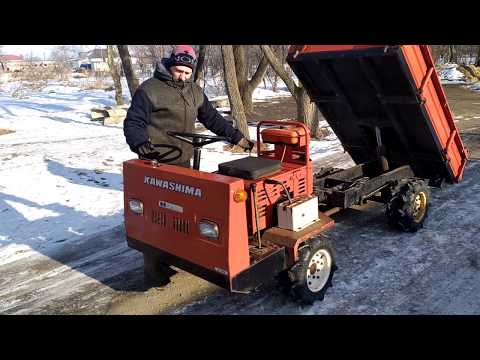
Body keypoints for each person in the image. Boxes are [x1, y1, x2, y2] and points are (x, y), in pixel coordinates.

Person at [124, 45, 254, 168]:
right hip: (156, 160)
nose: (183, 77)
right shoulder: (149, 89)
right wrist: (140, 142)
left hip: (184, 159)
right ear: (170, 65)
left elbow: (212, 118)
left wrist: (236, 137)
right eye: (179, 71)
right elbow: (134, 122)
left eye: (187, 73)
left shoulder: (194, 91)